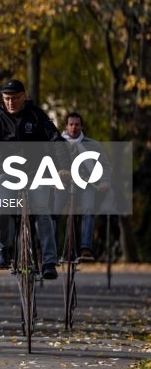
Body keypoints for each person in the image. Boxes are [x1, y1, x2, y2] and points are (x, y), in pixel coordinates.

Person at [0, 79, 66, 280]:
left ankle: (49, 260)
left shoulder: (36, 115)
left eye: (15, 98)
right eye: (7, 99)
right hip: (6, 172)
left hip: (36, 172)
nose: (11, 102)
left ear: (24, 96)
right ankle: (3, 249)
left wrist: (63, 167)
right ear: (2, 99)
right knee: (1, 205)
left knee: (42, 211)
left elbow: (56, 140)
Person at [56, 112, 111, 261]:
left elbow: (104, 165)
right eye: (71, 124)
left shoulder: (93, 145)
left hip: (86, 184)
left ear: (82, 126)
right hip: (63, 185)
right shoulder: (57, 143)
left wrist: (105, 181)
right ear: (66, 126)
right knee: (53, 212)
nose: (74, 127)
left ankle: (85, 248)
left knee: (88, 209)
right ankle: (51, 250)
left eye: (77, 124)